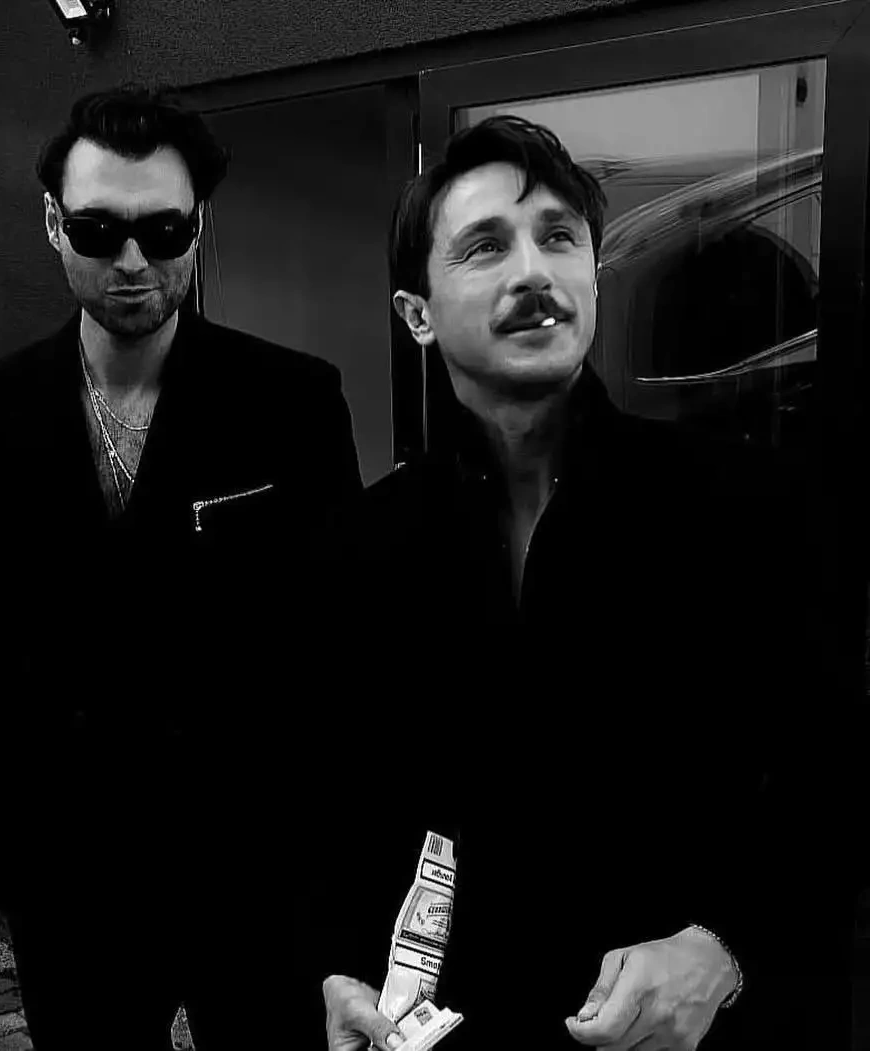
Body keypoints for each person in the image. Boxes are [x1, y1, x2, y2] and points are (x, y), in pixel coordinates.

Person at [310, 116, 841, 1050]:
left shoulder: (742, 505)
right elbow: (333, 802)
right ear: (417, 315)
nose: (533, 271)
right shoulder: (367, 542)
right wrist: (336, 968)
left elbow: (831, 766)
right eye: (485, 246)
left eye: (559, 237)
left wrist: (726, 945)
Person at [0, 84, 363, 1050]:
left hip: (252, 868)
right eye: (99, 230)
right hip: (72, 880)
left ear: (198, 222)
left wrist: (333, 888)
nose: (133, 260)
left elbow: (338, 651)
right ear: (54, 222)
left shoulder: (292, 400)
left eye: (164, 229)